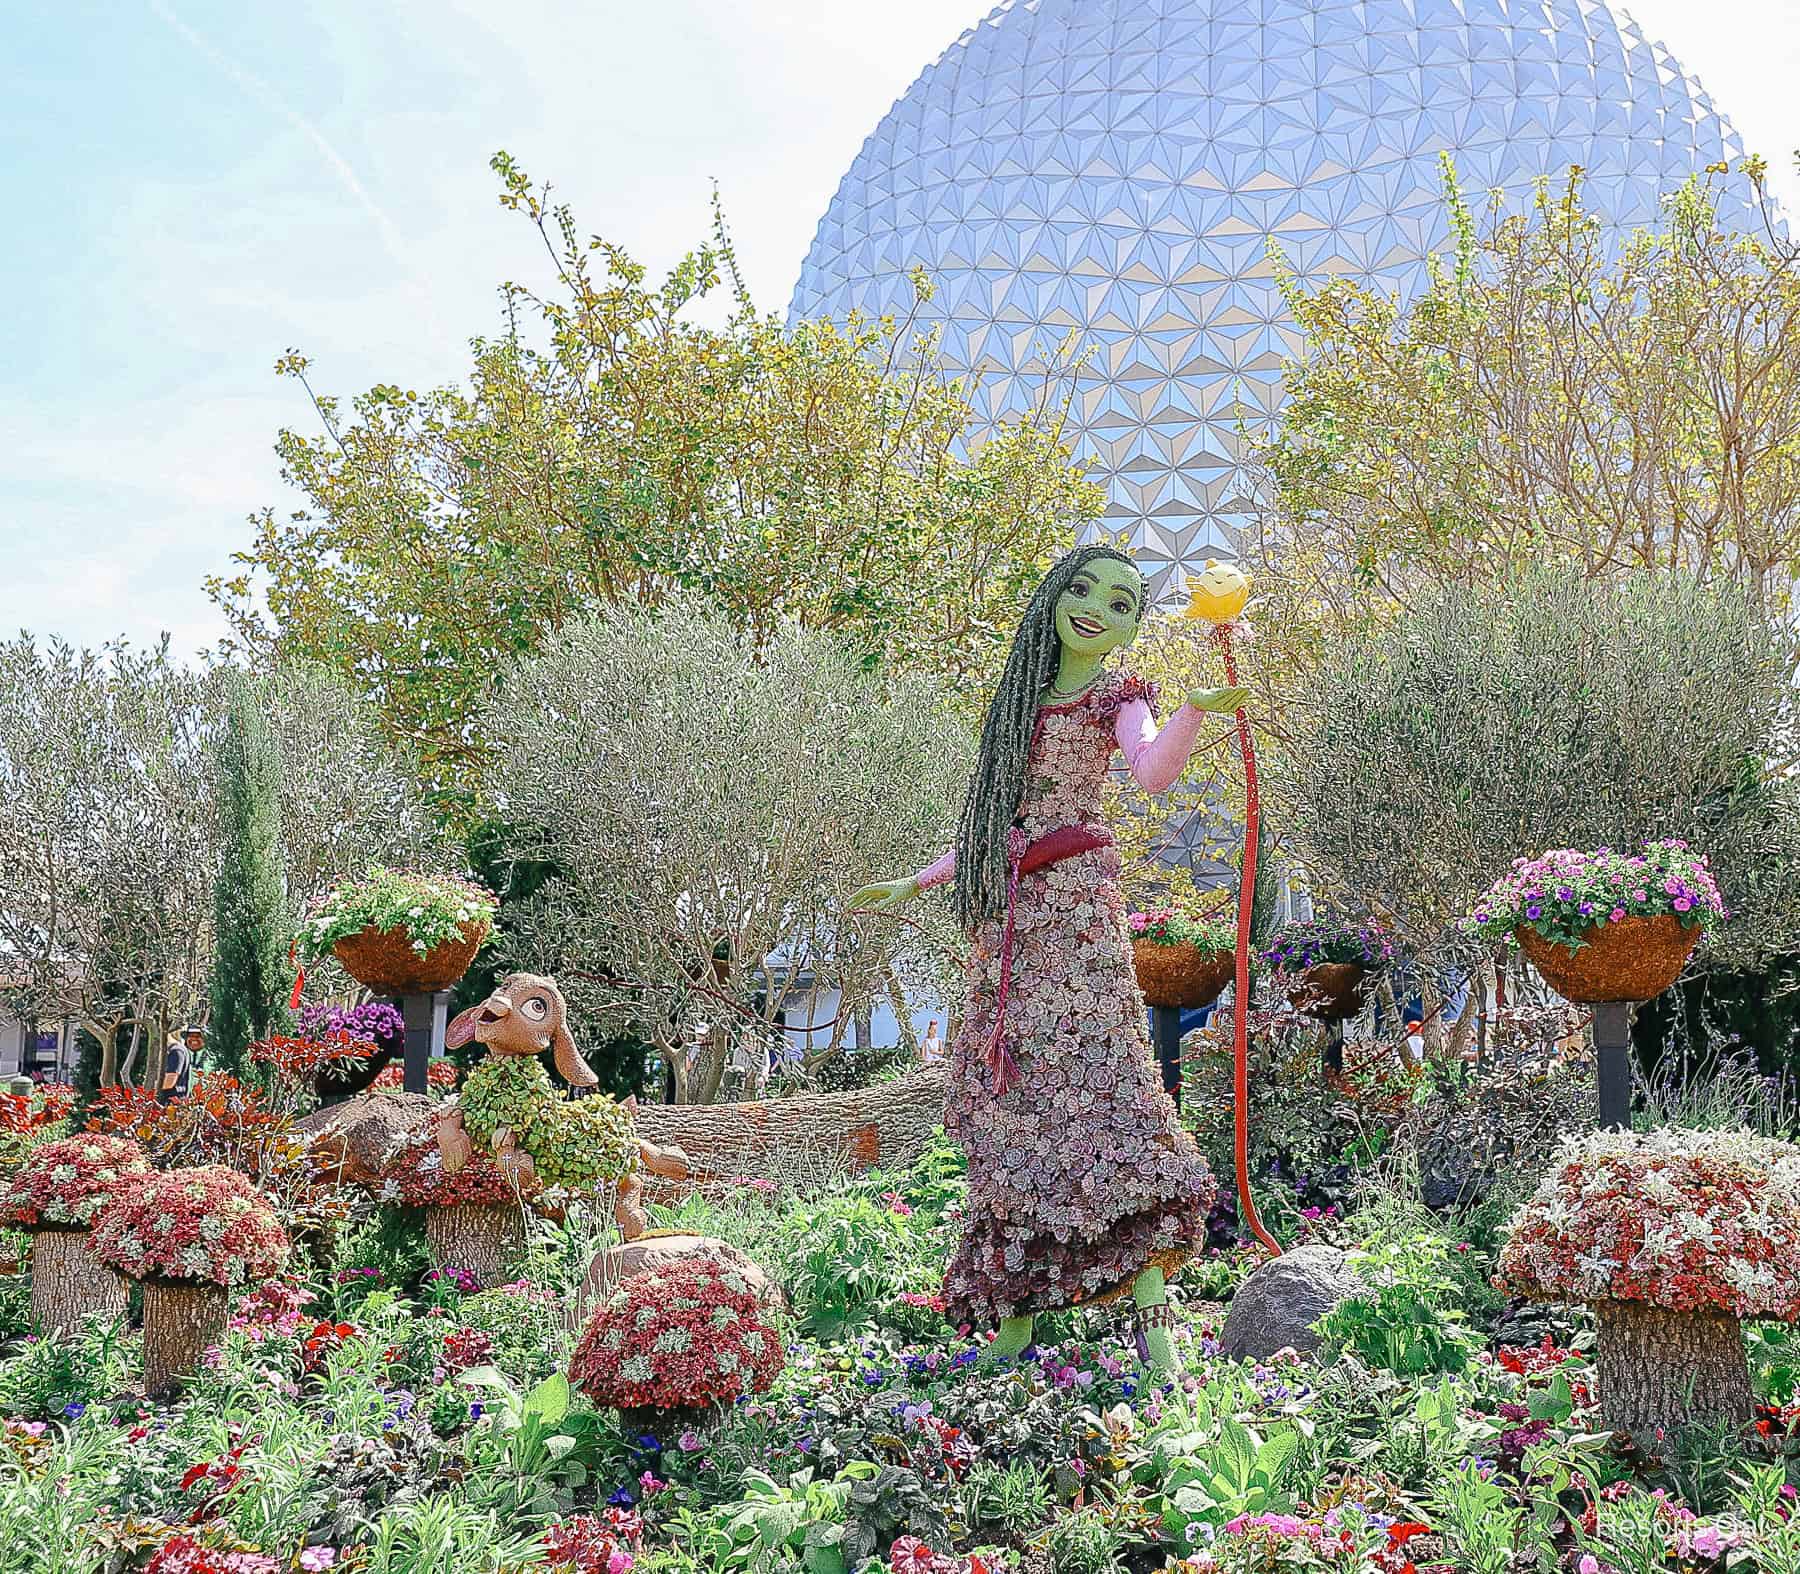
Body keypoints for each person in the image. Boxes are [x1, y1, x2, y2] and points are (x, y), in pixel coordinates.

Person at [852, 544, 1246, 1378]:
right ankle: (1017, 1319)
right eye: (1086, 590)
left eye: (1124, 602)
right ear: (1056, 598)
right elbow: (996, 828)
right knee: (1020, 1098)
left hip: (1076, 912)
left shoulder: (1118, 695)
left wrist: (1195, 711)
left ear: (1134, 627)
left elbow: (1151, 773)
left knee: (1104, 1083)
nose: (1099, 609)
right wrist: (916, 882)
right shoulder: (1018, 703)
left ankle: (1149, 1309)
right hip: (1012, 926)